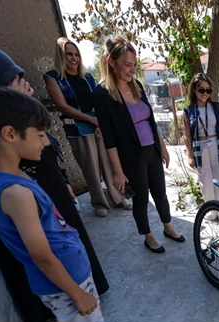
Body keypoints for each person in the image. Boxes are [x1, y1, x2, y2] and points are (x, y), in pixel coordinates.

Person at [0, 86, 129, 322]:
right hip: (65, 279)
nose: (46, 141)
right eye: (40, 134)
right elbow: (41, 255)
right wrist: (78, 293)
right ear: (10, 134)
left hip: (62, 275)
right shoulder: (15, 194)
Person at [0, 39, 109, 322]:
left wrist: (61, 179)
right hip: (33, 206)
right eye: (15, 81)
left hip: (45, 188)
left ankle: (84, 295)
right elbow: (41, 255)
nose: (26, 87)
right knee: (73, 316)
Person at [93, 36, 183, 254]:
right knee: (141, 198)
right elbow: (109, 137)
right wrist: (117, 171)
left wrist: (162, 147)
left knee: (160, 192)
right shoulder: (102, 93)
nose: (132, 70)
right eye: (127, 65)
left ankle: (168, 226)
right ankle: (148, 236)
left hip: (151, 148)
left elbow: (151, 120)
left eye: (134, 65)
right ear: (111, 63)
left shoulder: (138, 86)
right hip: (131, 155)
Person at [45, 37, 132, 217]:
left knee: (108, 162)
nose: (74, 58)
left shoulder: (88, 77)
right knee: (90, 167)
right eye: (69, 54)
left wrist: (100, 123)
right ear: (61, 56)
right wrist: (91, 120)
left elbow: (97, 103)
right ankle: (100, 202)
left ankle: (119, 196)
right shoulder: (53, 78)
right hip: (76, 129)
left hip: (97, 125)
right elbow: (63, 106)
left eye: (76, 54)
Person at [182, 73, 219, 218]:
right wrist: (189, 155)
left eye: (208, 90)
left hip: (218, 145)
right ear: (194, 90)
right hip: (200, 148)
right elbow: (187, 136)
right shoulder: (188, 112)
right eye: (201, 90)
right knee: (206, 183)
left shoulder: (217, 108)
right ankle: (212, 214)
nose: (205, 93)